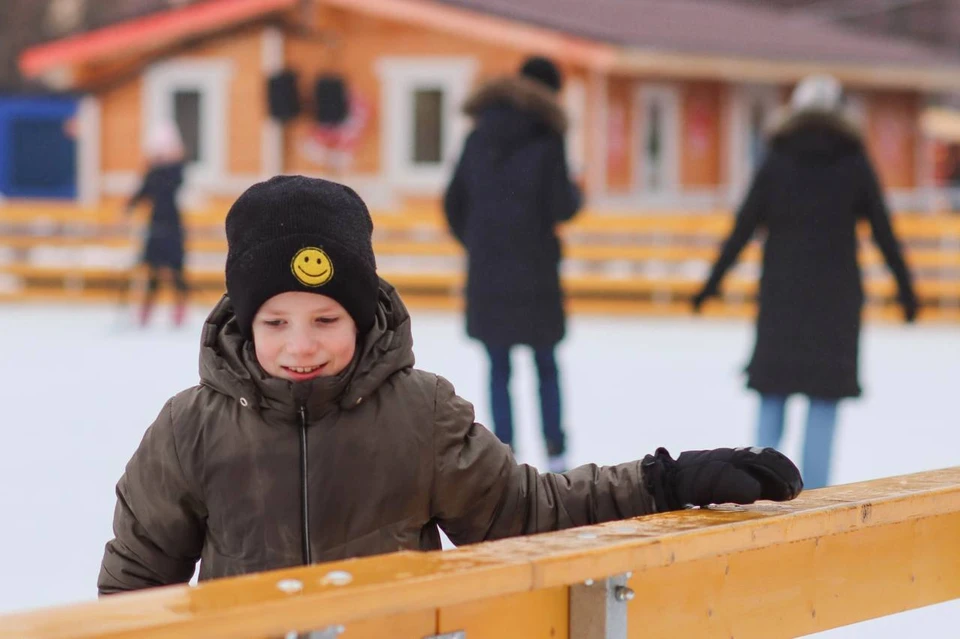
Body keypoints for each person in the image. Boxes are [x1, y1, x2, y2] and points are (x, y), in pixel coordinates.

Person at [98, 175, 803, 594]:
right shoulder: (190, 428)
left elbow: (529, 511)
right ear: (244, 321)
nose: (300, 344)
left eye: (325, 316)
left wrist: (668, 480)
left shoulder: (419, 414)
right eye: (275, 320)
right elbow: (136, 585)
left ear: (364, 313)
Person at [692, 74, 918, 489]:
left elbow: (743, 225)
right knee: (824, 397)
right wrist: (906, 290)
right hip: (836, 301)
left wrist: (712, 282)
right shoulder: (852, 159)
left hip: (782, 298)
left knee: (772, 393)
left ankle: (756, 488)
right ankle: (814, 497)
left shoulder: (777, 158)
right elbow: (884, 229)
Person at [444, 55, 580, 472]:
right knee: (545, 365)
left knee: (497, 367)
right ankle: (556, 452)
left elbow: (453, 203)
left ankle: (505, 452)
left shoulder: (477, 135)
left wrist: (480, 245)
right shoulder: (548, 137)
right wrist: (577, 192)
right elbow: (562, 204)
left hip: (488, 272)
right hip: (536, 271)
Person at [125, 120, 188, 327]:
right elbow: (142, 193)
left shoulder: (174, 171)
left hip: (172, 226)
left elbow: (174, 182)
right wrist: (130, 205)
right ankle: (145, 312)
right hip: (156, 226)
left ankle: (179, 311)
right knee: (152, 272)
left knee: (176, 272)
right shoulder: (152, 173)